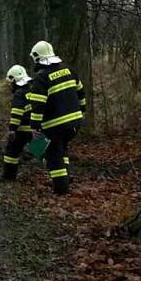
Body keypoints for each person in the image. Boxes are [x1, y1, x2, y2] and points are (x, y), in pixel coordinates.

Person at [27, 41, 86, 195]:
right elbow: (81, 93)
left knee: (53, 156)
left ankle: (61, 190)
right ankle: (65, 178)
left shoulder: (41, 78)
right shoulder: (69, 71)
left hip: (55, 126)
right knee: (62, 150)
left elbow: (38, 106)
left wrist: (35, 127)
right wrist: (82, 111)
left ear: (36, 58)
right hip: (74, 124)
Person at [1, 65, 34, 180]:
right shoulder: (32, 89)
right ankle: (61, 177)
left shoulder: (19, 94)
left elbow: (17, 114)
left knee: (11, 152)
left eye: (11, 83)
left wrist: (12, 130)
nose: (10, 85)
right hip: (35, 129)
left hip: (22, 130)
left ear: (14, 81)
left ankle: (8, 177)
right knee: (44, 152)